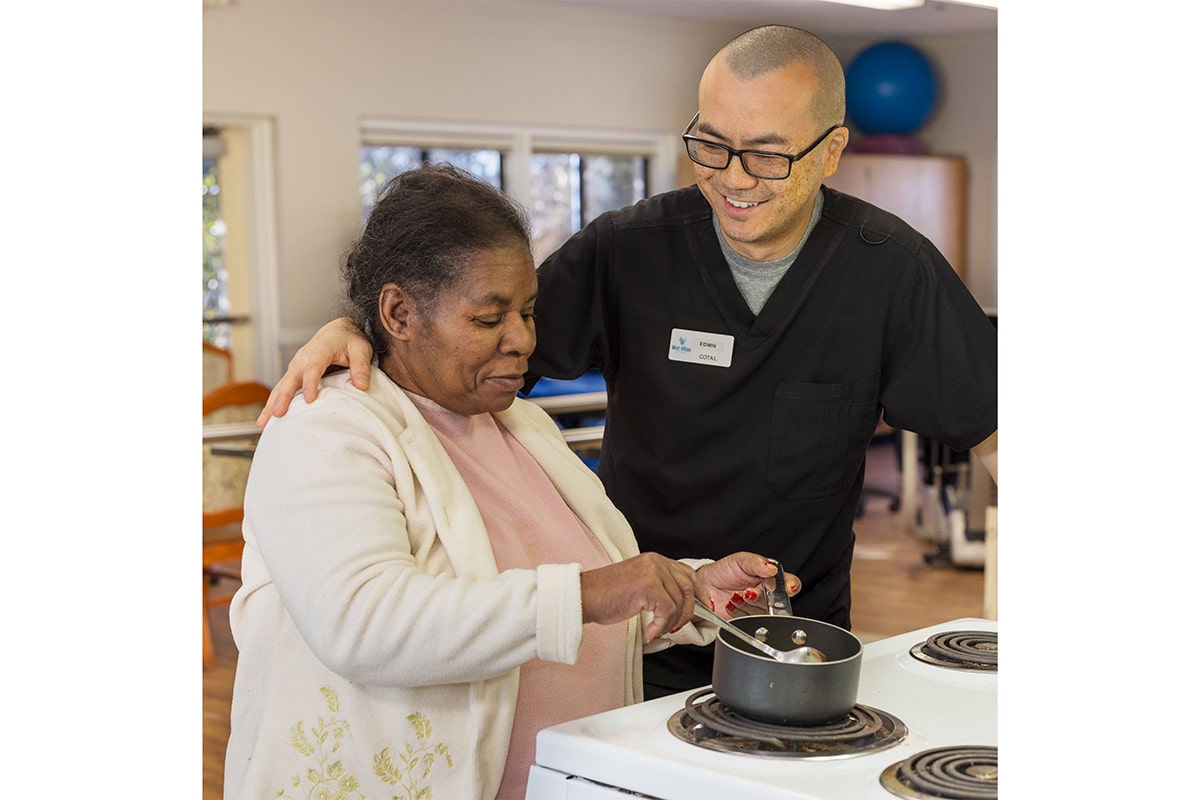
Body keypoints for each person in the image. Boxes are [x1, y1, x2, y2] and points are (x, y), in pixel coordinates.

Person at [257, 25, 999, 701]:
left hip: (785, 627)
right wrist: (354, 331)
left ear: (832, 150)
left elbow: (998, 430)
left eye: (768, 155)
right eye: (711, 145)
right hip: (633, 623)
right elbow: (461, 344)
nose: (735, 178)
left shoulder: (889, 269)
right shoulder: (628, 249)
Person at [224, 164, 795, 800]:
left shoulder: (519, 424)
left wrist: (688, 592)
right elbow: (363, 623)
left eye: (527, 310)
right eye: (489, 318)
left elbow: (561, 604)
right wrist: (589, 592)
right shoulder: (325, 428)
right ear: (398, 313)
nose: (523, 340)